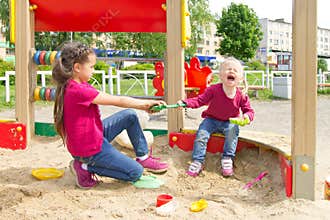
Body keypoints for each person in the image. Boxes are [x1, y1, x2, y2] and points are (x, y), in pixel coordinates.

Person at [52, 41, 168, 189]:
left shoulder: (78, 84)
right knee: (135, 172)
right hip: (89, 150)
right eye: (91, 67)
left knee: (130, 116)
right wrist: (145, 105)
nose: (93, 70)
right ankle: (84, 167)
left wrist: (144, 105)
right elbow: (118, 100)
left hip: (93, 136)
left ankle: (143, 157)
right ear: (77, 67)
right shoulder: (78, 90)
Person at [178, 57, 255, 177]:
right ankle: (198, 161)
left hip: (230, 122)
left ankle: (227, 158)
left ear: (240, 78)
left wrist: (246, 117)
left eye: (235, 70)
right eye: (228, 69)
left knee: (232, 132)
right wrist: (185, 103)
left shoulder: (241, 95)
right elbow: (200, 100)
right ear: (220, 75)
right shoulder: (213, 90)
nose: (231, 72)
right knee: (201, 135)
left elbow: (249, 111)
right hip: (211, 120)